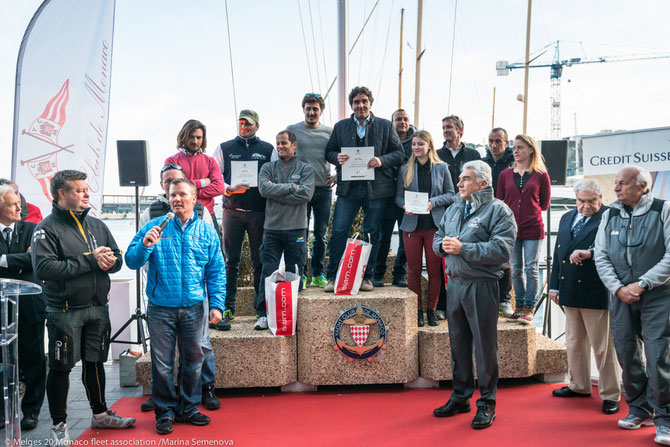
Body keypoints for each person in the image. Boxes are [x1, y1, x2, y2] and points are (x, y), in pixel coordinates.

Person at [31, 170, 135, 445]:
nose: (86, 194)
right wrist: (90, 259)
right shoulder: (46, 228)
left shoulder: (98, 225)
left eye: (87, 189)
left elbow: (118, 258)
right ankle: (58, 425)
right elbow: (44, 268)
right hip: (64, 311)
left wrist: (111, 262)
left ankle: (100, 415)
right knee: (60, 367)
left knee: (95, 362)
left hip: (98, 307)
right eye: (79, 190)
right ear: (62, 194)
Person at [125, 178, 225, 436]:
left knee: (193, 361)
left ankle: (189, 408)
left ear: (194, 199)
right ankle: (165, 412)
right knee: (162, 365)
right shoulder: (153, 226)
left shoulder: (206, 230)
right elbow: (131, 261)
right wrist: (145, 246)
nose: (177, 199)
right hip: (160, 308)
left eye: (182, 195)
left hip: (194, 308)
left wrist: (216, 305)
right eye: (172, 195)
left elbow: (216, 271)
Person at [432, 160, 516, 429]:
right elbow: (439, 236)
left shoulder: (499, 211)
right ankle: (460, 396)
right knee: (458, 344)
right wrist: (442, 247)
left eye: (465, 179)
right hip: (455, 284)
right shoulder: (455, 207)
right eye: (460, 179)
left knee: (484, 346)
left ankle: (487, 402)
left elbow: (502, 250)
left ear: (483, 183)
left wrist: (463, 249)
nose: (459, 184)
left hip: (481, 285)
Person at [595, 166, 670, 445]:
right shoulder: (609, 213)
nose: (616, 188)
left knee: (659, 353)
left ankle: (665, 419)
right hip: (620, 295)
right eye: (615, 183)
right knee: (627, 353)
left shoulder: (663, 209)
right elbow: (601, 255)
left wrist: (644, 283)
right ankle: (639, 408)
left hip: (658, 294)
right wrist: (617, 288)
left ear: (643, 186)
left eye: (623, 183)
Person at [323, 86, 405, 292]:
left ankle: (366, 277)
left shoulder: (386, 126)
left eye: (364, 101)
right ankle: (333, 276)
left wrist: (381, 160)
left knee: (372, 233)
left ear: (370, 103)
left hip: (376, 190)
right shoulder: (341, 126)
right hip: (348, 190)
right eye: (356, 102)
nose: (360, 105)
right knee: (339, 232)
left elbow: (399, 153)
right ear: (352, 105)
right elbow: (329, 151)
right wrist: (337, 157)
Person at [549, 179, 621, 415]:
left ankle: (610, 393)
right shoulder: (567, 217)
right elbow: (558, 252)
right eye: (581, 200)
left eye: (592, 201)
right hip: (569, 289)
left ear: (601, 198)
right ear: (575, 198)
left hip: (596, 289)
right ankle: (579, 385)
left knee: (603, 347)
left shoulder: (612, 215)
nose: (586, 205)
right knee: (574, 343)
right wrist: (554, 286)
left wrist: (590, 253)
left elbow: (616, 248)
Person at [212, 109, 276, 328]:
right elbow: (215, 178)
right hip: (232, 212)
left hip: (259, 213)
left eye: (248, 124)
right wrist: (229, 189)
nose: (244, 127)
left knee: (260, 262)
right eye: (241, 123)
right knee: (231, 262)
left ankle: (262, 311)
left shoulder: (268, 149)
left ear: (257, 126)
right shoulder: (224, 148)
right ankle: (227, 308)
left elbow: (276, 175)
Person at [256, 130, 315, 330]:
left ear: (294, 145)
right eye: (278, 143)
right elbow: (263, 189)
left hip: (296, 228)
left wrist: (277, 191)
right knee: (267, 271)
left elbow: (306, 194)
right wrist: (292, 187)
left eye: (284, 143)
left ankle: (294, 314)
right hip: (271, 228)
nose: (280, 147)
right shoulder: (267, 167)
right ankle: (263, 314)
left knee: (295, 271)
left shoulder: (306, 169)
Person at [395, 130, 454, 326]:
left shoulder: (441, 167)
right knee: (413, 271)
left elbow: (451, 194)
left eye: (420, 144)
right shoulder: (405, 169)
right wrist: (404, 205)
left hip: (434, 227)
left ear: (429, 145)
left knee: (434, 270)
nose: (416, 147)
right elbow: (398, 197)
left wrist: (433, 202)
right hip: (411, 226)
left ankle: (432, 310)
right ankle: (417, 311)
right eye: (414, 144)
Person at [0, 185, 45, 431]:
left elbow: (36, 258)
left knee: (34, 359)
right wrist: (21, 259)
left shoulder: (33, 229)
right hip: (1, 307)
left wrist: (4, 260)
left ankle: (31, 410)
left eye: (19, 202)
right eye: (12, 204)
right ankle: (2, 412)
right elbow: (26, 260)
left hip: (29, 307)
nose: (20, 208)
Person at [496, 134, 550, 324]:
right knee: (516, 268)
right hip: (511, 229)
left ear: (530, 150)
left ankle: (529, 308)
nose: (516, 151)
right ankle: (519, 307)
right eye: (514, 148)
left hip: (533, 228)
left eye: (520, 148)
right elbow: (500, 201)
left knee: (532, 268)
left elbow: (544, 204)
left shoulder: (541, 175)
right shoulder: (505, 175)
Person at [286, 93, 334, 289]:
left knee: (321, 234)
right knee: (301, 233)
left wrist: (339, 175)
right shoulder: (292, 130)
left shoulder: (330, 132)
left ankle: (318, 274)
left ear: (321, 111)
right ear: (303, 109)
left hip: (323, 189)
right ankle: (302, 274)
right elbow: (285, 155)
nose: (311, 112)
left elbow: (340, 154)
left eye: (315, 109)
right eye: (308, 108)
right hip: (302, 190)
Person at [373, 109, 415, 288]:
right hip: (388, 194)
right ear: (392, 122)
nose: (402, 122)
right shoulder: (385, 139)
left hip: (410, 195)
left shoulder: (417, 141)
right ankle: (378, 273)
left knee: (406, 236)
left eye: (405, 119)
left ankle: (399, 273)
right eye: (398, 119)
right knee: (384, 237)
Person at [164, 119, 225, 227]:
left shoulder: (210, 161)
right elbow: (171, 187)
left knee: (213, 245)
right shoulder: (171, 161)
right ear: (184, 136)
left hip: (207, 215)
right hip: (180, 217)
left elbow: (219, 188)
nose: (195, 141)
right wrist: (202, 182)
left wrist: (188, 191)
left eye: (198, 137)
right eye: (191, 137)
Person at [481, 129, 515, 317]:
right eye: (491, 141)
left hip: (504, 216)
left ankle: (505, 299)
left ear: (506, 143)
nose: (494, 145)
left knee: (505, 260)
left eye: (498, 141)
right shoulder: (483, 163)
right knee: (486, 257)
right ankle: (489, 298)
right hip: (485, 215)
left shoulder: (512, 164)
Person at [436, 115, 481, 192]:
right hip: (443, 202)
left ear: (460, 130)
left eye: (449, 127)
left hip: (467, 200)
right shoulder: (436, 155)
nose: (445, 130)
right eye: (443, 128)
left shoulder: (474, 155)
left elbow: (479, 180)